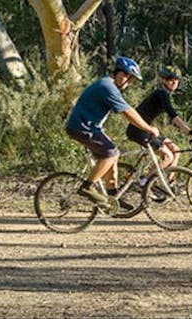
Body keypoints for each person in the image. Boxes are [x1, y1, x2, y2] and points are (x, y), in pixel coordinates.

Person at [66, 56, 161, 208]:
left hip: (89, 127)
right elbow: (128, 112)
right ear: (121, 74)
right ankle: (87, 187)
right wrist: (148, 129)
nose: (129, 83)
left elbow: (128, 110)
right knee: (112, 153)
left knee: (112, 156)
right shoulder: (107, 87)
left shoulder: (108, 85)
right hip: (82, 128)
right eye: (129, 79)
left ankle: (113, 197)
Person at [125, 65, 192, 176]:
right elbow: (172, 114)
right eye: (170, 79)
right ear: (163, 80)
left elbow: (172, 119)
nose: (174, 82)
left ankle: (168, 183)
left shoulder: (164, 94)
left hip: (146, 130)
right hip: (138, 130)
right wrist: (188, 130)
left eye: (176, 80)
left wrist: (182, 128)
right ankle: (144, 182)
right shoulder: (161, 93)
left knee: (176, 150)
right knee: (168, 156)